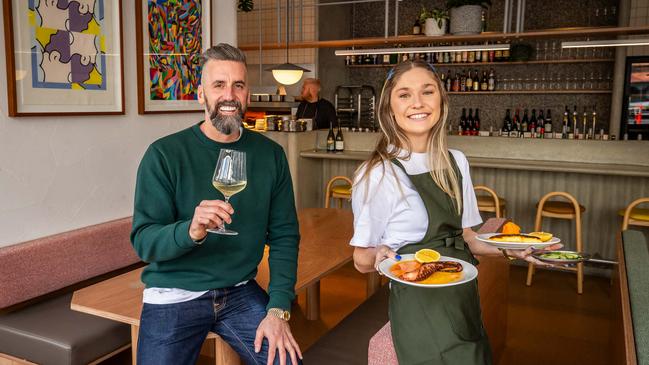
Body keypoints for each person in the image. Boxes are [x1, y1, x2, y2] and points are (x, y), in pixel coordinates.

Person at [349, 59, 562, 364]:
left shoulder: (456, 162)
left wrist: (511, 250)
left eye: (428, 92)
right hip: (420, 308)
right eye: (405, 95)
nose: (418, 103)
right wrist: (379, 254)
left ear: (442, 101)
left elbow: (468, 240)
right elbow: (360, 260)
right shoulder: (379, 173)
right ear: (389, 108)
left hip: (462, 296)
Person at [131, 43, 302, 365]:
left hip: (239, 289)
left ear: (247, 94)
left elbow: (284, 237)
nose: (230, 95)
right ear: (201, 95)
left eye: (238, 85)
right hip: (174, 292)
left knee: (286, 362)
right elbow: (144, 243)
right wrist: (191, 231)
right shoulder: (165, 154)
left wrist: (279, 307)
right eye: (219, 85)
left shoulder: (270, 155)